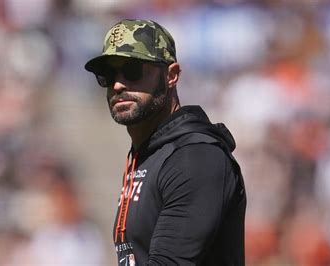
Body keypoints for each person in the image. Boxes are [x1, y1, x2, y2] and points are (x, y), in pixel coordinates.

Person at [85, 19, 246, 266]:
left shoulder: (196, 157)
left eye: (132, 70)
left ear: (171, 75)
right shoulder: (149, 155)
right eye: (107, 74)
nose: (117, 84)